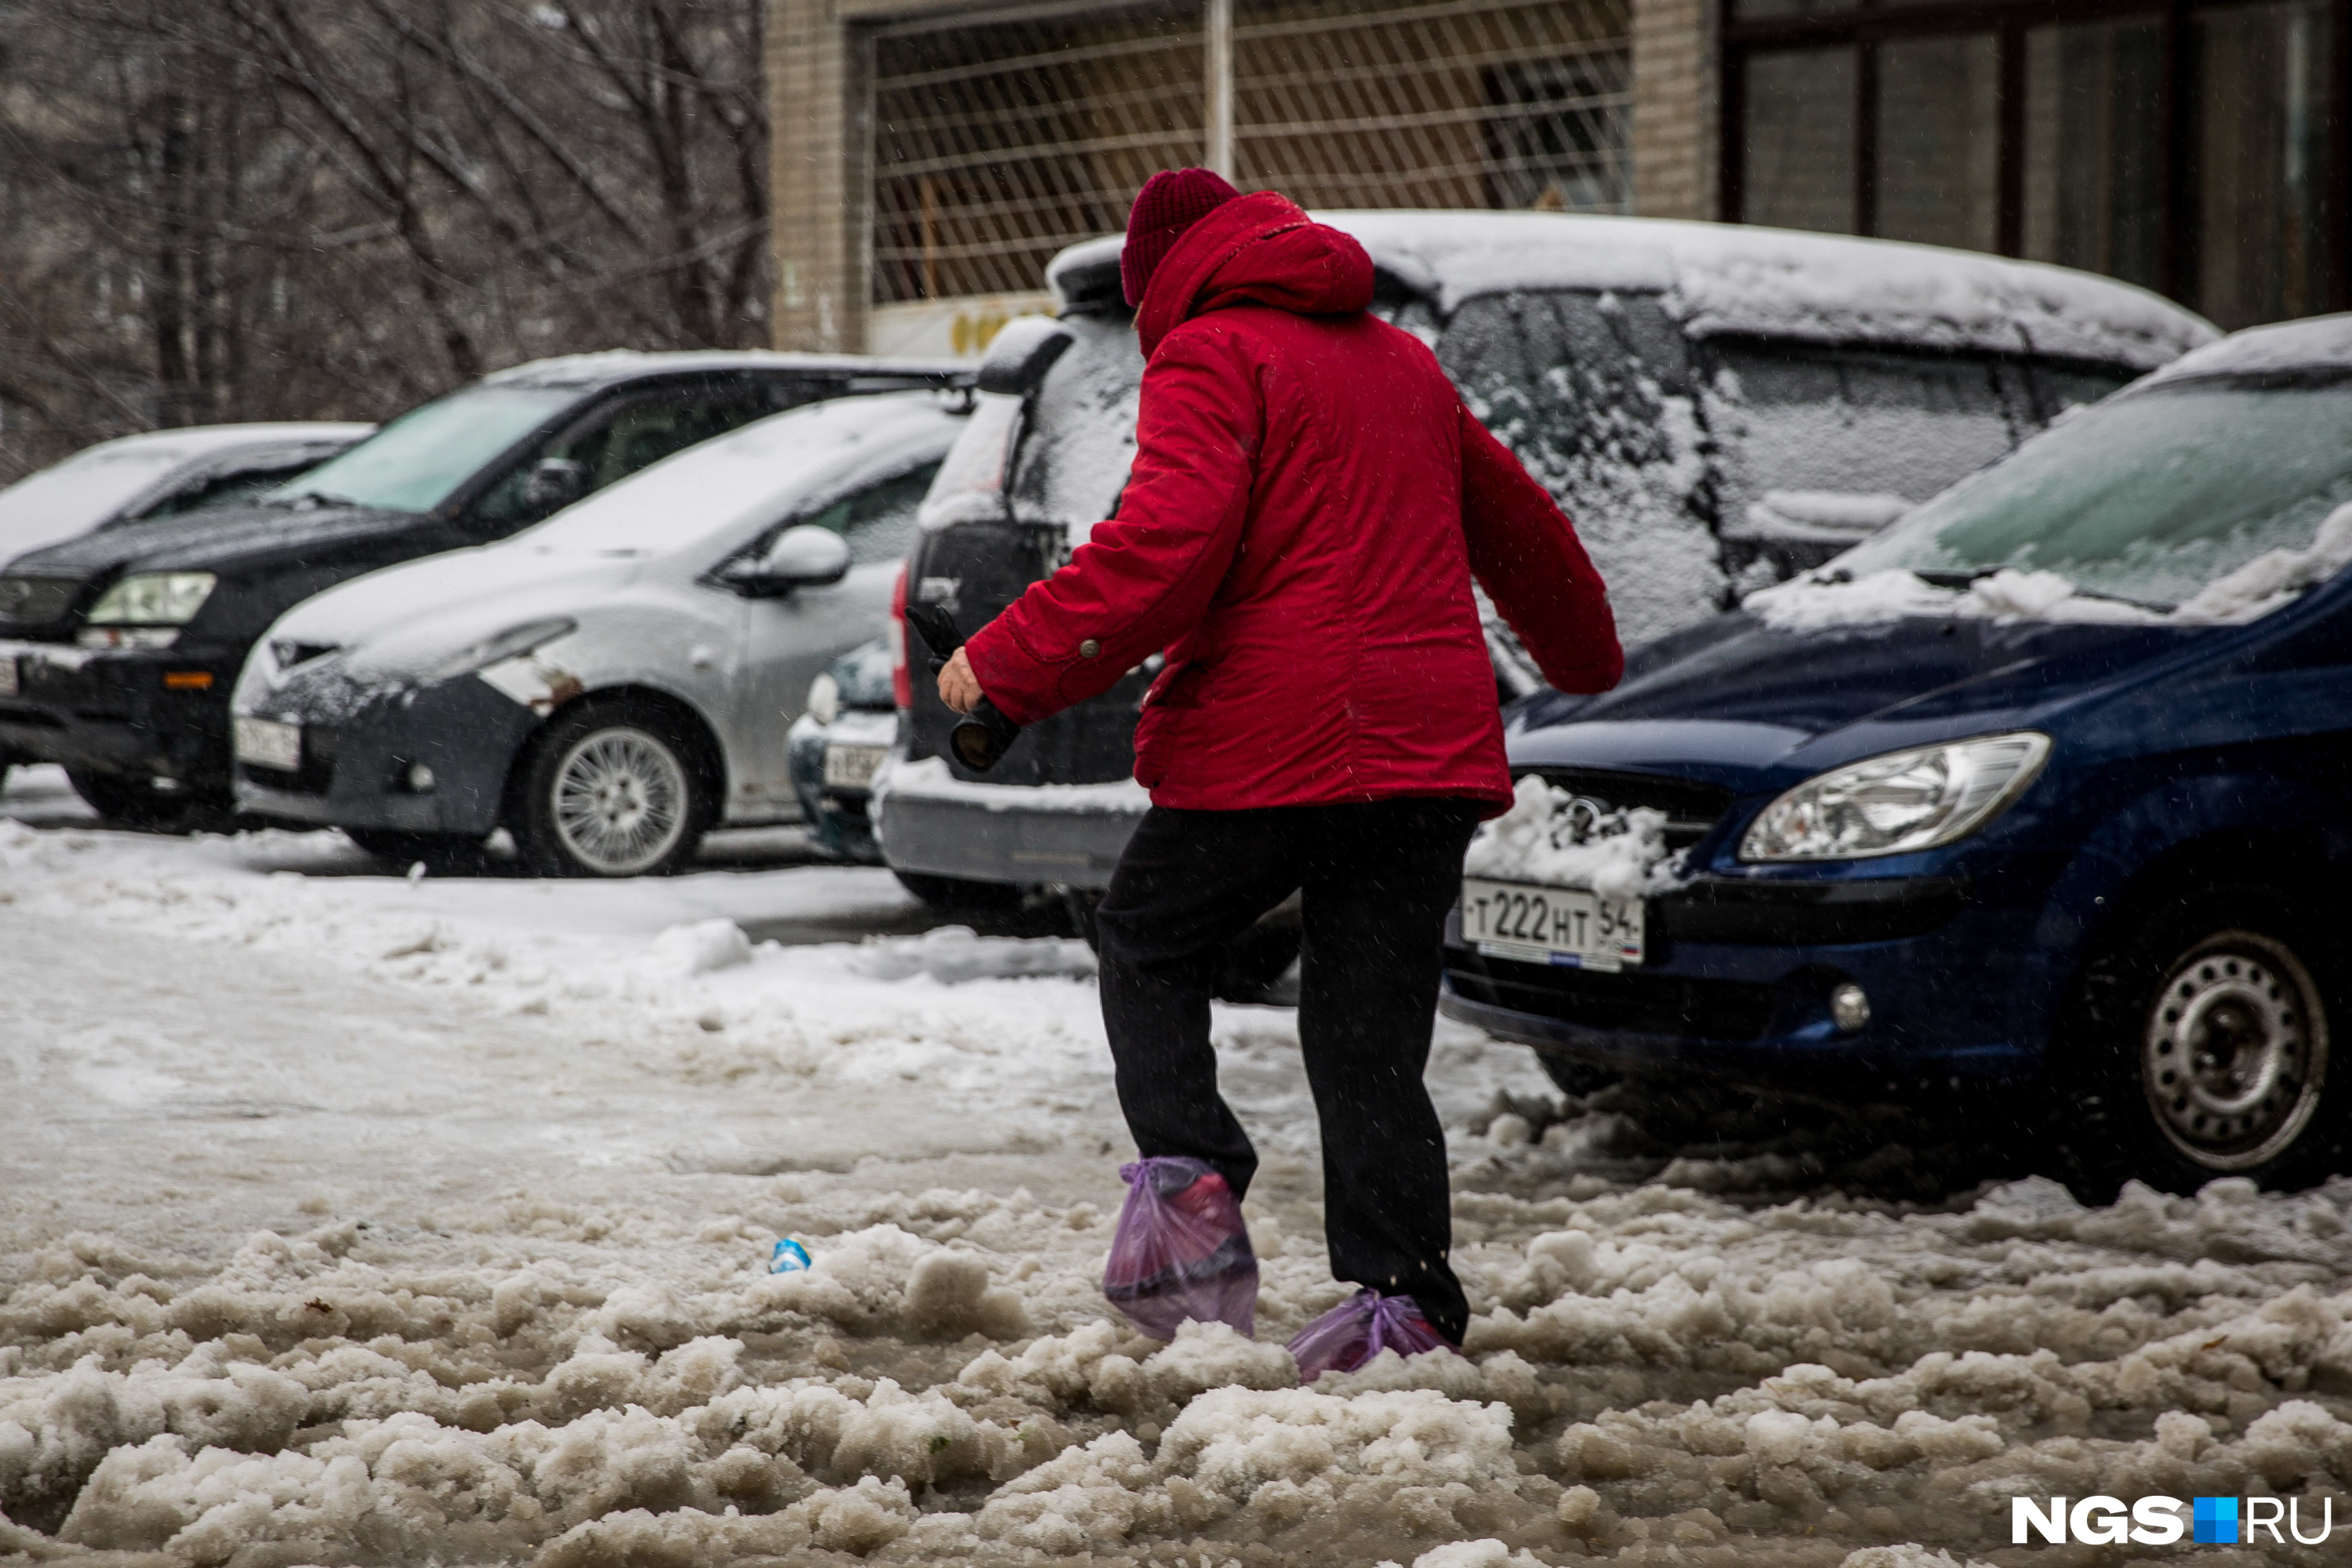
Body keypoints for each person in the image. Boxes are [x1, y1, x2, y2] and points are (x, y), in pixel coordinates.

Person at [937, 168, 1621, 1356]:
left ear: (1163, 281)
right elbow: (1521, 526)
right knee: (1368, 1038)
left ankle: (1192, 1202)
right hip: (1427, 755)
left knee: (1149, 938)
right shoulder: (1401, 359)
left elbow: (1167, 546)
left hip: (1282, 739)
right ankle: (1401, 1304)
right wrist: (1586, 654)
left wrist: (1009, 664)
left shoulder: (1210, 353)